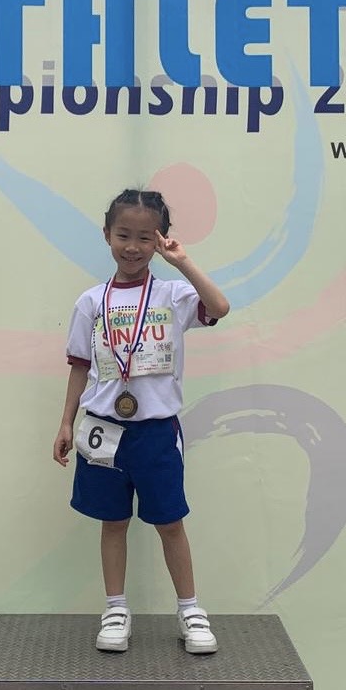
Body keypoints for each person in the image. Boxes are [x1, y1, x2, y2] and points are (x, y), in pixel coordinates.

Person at [52, 188, 230, 654]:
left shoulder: (173, 295)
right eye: (123, 235)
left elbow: (220, 307)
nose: (132, 247)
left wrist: (182, 263)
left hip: (155, 432)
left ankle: (190, 610)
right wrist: (67, 422)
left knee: (170, 522)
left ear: (160, 240)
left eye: (145, 238)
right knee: (113, 522)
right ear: (106, 235)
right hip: (103, 430)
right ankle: (115, 609)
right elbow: (79, 367)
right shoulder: (92, 302)